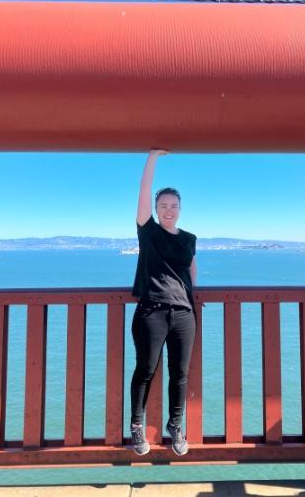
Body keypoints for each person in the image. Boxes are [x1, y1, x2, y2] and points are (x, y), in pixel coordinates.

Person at [129, 149, 197, 456]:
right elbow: (143, 191)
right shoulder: (149, 232)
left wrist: (193, 298)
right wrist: (152, 157)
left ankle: (175, 426)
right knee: (146, 369)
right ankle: (136, 426)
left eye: (174, 205)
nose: (168, 209)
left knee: (179, 373)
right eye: (163, 205)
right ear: (155, 209)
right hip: (151, 311)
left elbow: (190, 266)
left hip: (183, 313)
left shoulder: (189, 238)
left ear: (180, 209)